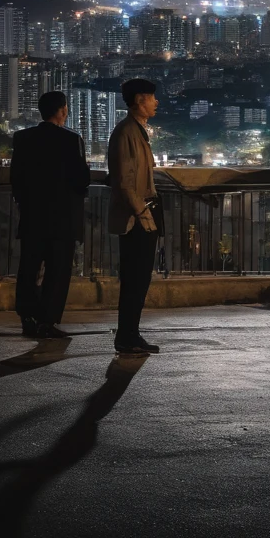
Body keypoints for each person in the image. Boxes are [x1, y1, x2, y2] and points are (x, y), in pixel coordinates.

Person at [10, 91, 91, 338]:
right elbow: (81, 180)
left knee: (29, 267)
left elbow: (16, 178)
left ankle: (27, 315)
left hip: (33, 216)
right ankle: (48, 321)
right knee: (57, 272)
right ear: (62, 111)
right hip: (62, 219)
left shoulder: (22, 138)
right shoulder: (71, 140)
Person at [108, 78, 162, 354]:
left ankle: (131, 334)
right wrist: (142, 213)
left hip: (143, 215)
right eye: (152, 98)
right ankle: (126, 336)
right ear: (140, 100)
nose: (156, 102)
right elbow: (125, 182)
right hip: (136, 219)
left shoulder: (137, 130)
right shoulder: (127, 132)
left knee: (139, 280)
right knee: (134, 279)